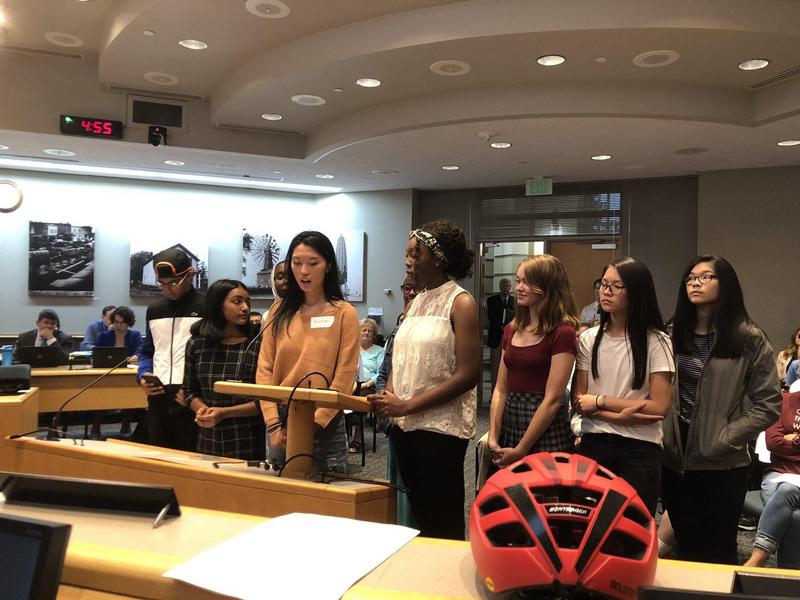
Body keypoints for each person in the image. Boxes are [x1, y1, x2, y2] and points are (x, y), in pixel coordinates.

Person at [662, 255, 781, 564]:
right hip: (674, 456)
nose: (695, 283)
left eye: (705, 277)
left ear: (724, 283)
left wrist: (726, 437)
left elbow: (769, 403)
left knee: (718, 551)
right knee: (685, 545)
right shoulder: (673, 332)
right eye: (690, 278)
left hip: (723, 463)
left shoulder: (748, 338)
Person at [370, 220, 480, 540]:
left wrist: (407, 405)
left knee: (442, 518)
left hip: (440, 428)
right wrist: (389, 394)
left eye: (414, 254)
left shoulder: (461, 302)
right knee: (419, 514)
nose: (407, 261)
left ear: (438, 257)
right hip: (404, 425)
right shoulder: (416, 301)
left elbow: (469, 375)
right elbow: (400, 356)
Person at [572, 257, 674, 516]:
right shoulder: (588, 338)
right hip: (593, 442)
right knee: (588, 523)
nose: (606, 291)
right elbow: (579, 400)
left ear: (637, 291)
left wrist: (601, 402)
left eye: (617, 286)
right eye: (604, 284)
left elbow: (659, 407)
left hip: (640, 447)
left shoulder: (657, 341)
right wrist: (620, 417)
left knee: (633, 525)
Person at [257, 231, 359, 473]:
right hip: (280, 417)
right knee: (280, 489)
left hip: (325, 418)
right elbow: (264, 369)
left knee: (327, 491)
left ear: (328, 266)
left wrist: (312, 423)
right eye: (297, 262)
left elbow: (344, 377)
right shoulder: (278, 311)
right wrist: (273, 423)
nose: (304, 271)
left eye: (313, 263)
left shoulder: (344, 313)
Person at [488, 255, 578, 473]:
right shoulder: (511, 329)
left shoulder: (562, 332)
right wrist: (493, 437)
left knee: (543, 492)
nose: (519, 287)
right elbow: (500, 388)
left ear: (547, 286)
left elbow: (553, 399)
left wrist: (521, 449)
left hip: (544, 429)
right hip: (510, 423)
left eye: (527, 282)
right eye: (518, 281)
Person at [183, 280, 265, 460]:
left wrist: (225, 413)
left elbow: (266, 401)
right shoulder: (197, 344)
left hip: (248, 439)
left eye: (248, 302)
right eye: (237, 301)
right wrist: (203, 410)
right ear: (218, 304)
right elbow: (189, 391)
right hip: (208, 437)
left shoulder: (258, 344)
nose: (245, 308)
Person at [138, 247, 205, 451]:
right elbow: (148, 351)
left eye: (174, 283)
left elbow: (213, 356)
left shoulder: (207, 306)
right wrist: (143, 375)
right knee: (158, 458)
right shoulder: (154, 309)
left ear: (189, 275)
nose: (168, 289)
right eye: (162, 284)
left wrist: (196, 394)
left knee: (191, 460)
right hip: (157, 396)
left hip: (191, 398)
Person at [376, 274, 419, 527]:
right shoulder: (396, 330)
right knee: (396, 494)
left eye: (415, 289)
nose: (410, 293)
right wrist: (386, 415)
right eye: (407, 288)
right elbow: (383, 374)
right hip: (395, 425)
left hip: (419, 424)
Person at [744, 390, 800, 569]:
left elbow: (781, 442)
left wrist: (793, 438)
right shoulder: (786, 401)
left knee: (788, 492)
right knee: (794, 511)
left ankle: (759, 557)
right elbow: (773, 441)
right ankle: (790, 573)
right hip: (778, 473)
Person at [94, 306, 143, 438]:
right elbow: (97, 353)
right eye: (116, 322)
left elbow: (140, 352)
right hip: (106, 373)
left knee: (131, 393)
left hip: (126, 373)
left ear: (128, 322)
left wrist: (130, 359)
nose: (119, 325)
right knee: (100, 395)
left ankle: (126, 423)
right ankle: (96, 426)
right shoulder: (104, 336)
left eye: (122, 322)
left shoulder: (135, 335)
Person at [486, 277, 514, 394]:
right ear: (500, 286)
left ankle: (506, 394)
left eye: (508, 286)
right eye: (504, 286)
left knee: (509, 367)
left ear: (511, 287)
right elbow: (491, 316)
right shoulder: (492, 300)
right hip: (496, 337)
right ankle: (494, 393)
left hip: (510, 337)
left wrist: (508, 327)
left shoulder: (515, 301)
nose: (506, 288)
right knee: (495, 367)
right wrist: (500, 327)